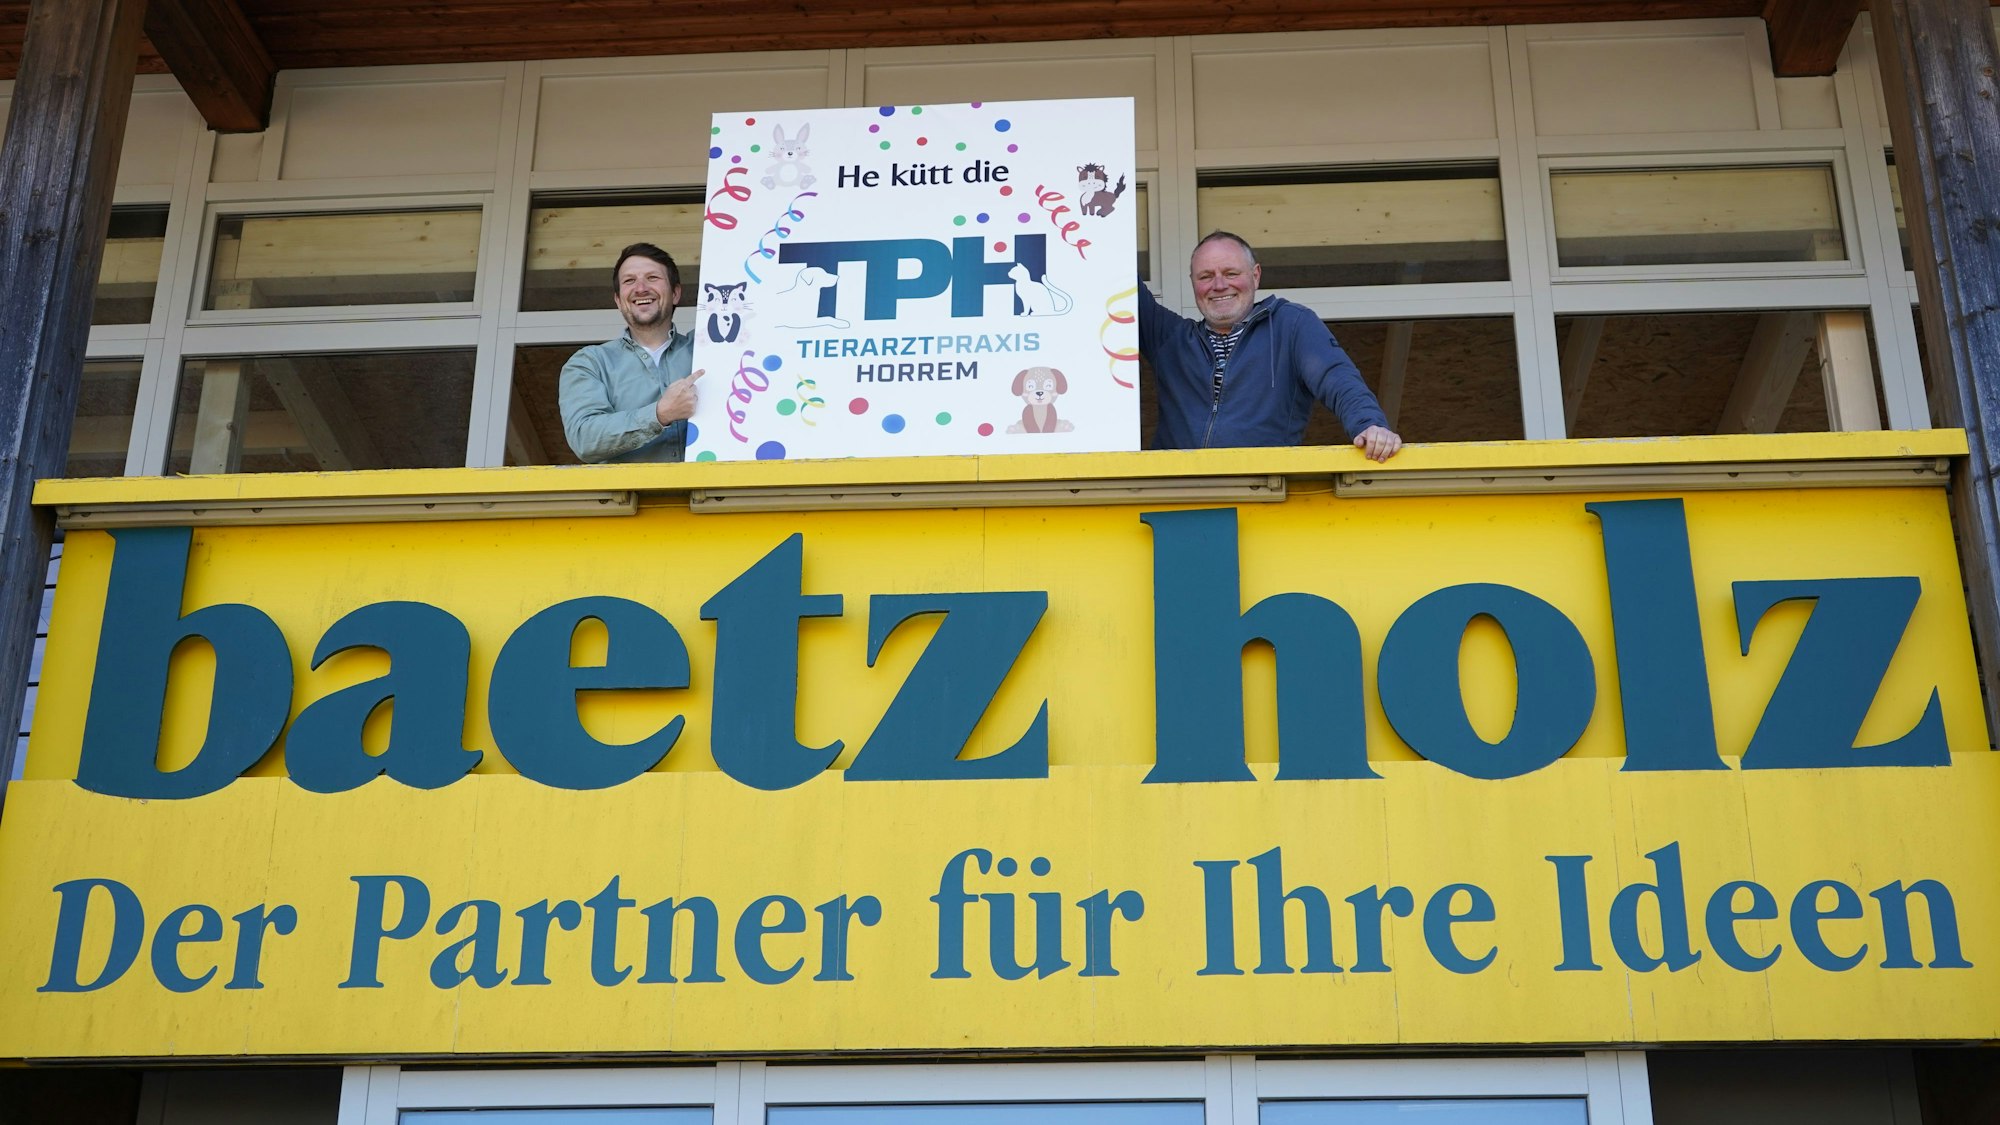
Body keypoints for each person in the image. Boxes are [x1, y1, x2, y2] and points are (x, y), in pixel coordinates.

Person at [1138, 231, 1402, 460]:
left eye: (1231, 273)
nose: (1219, 285)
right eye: (1206, 276)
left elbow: (1336, 376)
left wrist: (1369, 424)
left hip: (1261, 495)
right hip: (1176, 499)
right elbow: (1119, 279)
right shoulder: (1170, 339)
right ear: (1193, 282)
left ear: (1255, 276)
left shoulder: (1292, 325)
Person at [560, 242, 706, 463]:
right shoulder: (590, 363)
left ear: (676, 293)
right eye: (629, 281)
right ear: (618, 300)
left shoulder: (707, 347)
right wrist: (659, 414)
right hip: (628, 498)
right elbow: (584, 438)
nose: (641, 288)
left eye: (652, 278)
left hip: (711, 495)